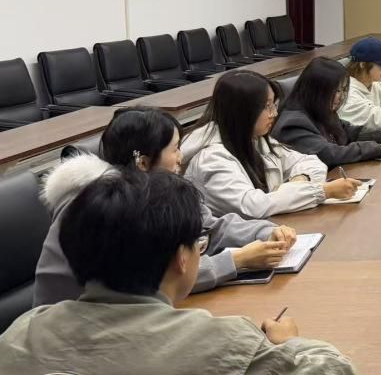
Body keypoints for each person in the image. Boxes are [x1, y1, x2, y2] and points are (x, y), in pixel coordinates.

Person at [1, 170, 356, 374]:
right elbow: (334, 370)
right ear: (181, 259)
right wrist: (290, 343)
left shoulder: (22, 334)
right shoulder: (225, 343)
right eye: (198, 244)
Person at [34, 108, 295, 307]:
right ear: (143, 163)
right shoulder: (101, 207)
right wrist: (237, 260)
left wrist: (263, 232)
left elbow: (207, 227)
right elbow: (150, 280)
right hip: (74, 325)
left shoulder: (159, 191)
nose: (182, 157)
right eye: (175, 149)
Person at [182, 71, 360, 219]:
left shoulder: (257, 140)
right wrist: (321, 191)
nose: (274, 113)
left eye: (274, 105)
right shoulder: (211, 158)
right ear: (242, 111)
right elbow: (253, 207)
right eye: (267, 106)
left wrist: (301, 179)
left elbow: (312, 162)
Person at [272, 56, 381, 167]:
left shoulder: (319, 109)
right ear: (317, 90)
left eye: (342, 90)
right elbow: (328, 154)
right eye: (336, 91)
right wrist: (379, 148)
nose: (340, 96)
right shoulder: (293, 123)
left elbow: (348, 131)